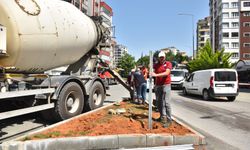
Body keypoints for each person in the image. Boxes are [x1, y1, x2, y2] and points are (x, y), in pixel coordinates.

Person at [151, 51, 172, 128]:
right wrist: (151, 68)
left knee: (166, 103)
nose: (161, 58)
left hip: (166, 85)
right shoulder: (156, 65)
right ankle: (162, 117)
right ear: (158, 58)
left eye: (163, 57)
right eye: (160, 57)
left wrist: (156, 75)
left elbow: (167, 73)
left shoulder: (168, 64)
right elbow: (151, 71)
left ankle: (169, 120)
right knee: (159, 103)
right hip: (158, 85)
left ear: (165, 57)